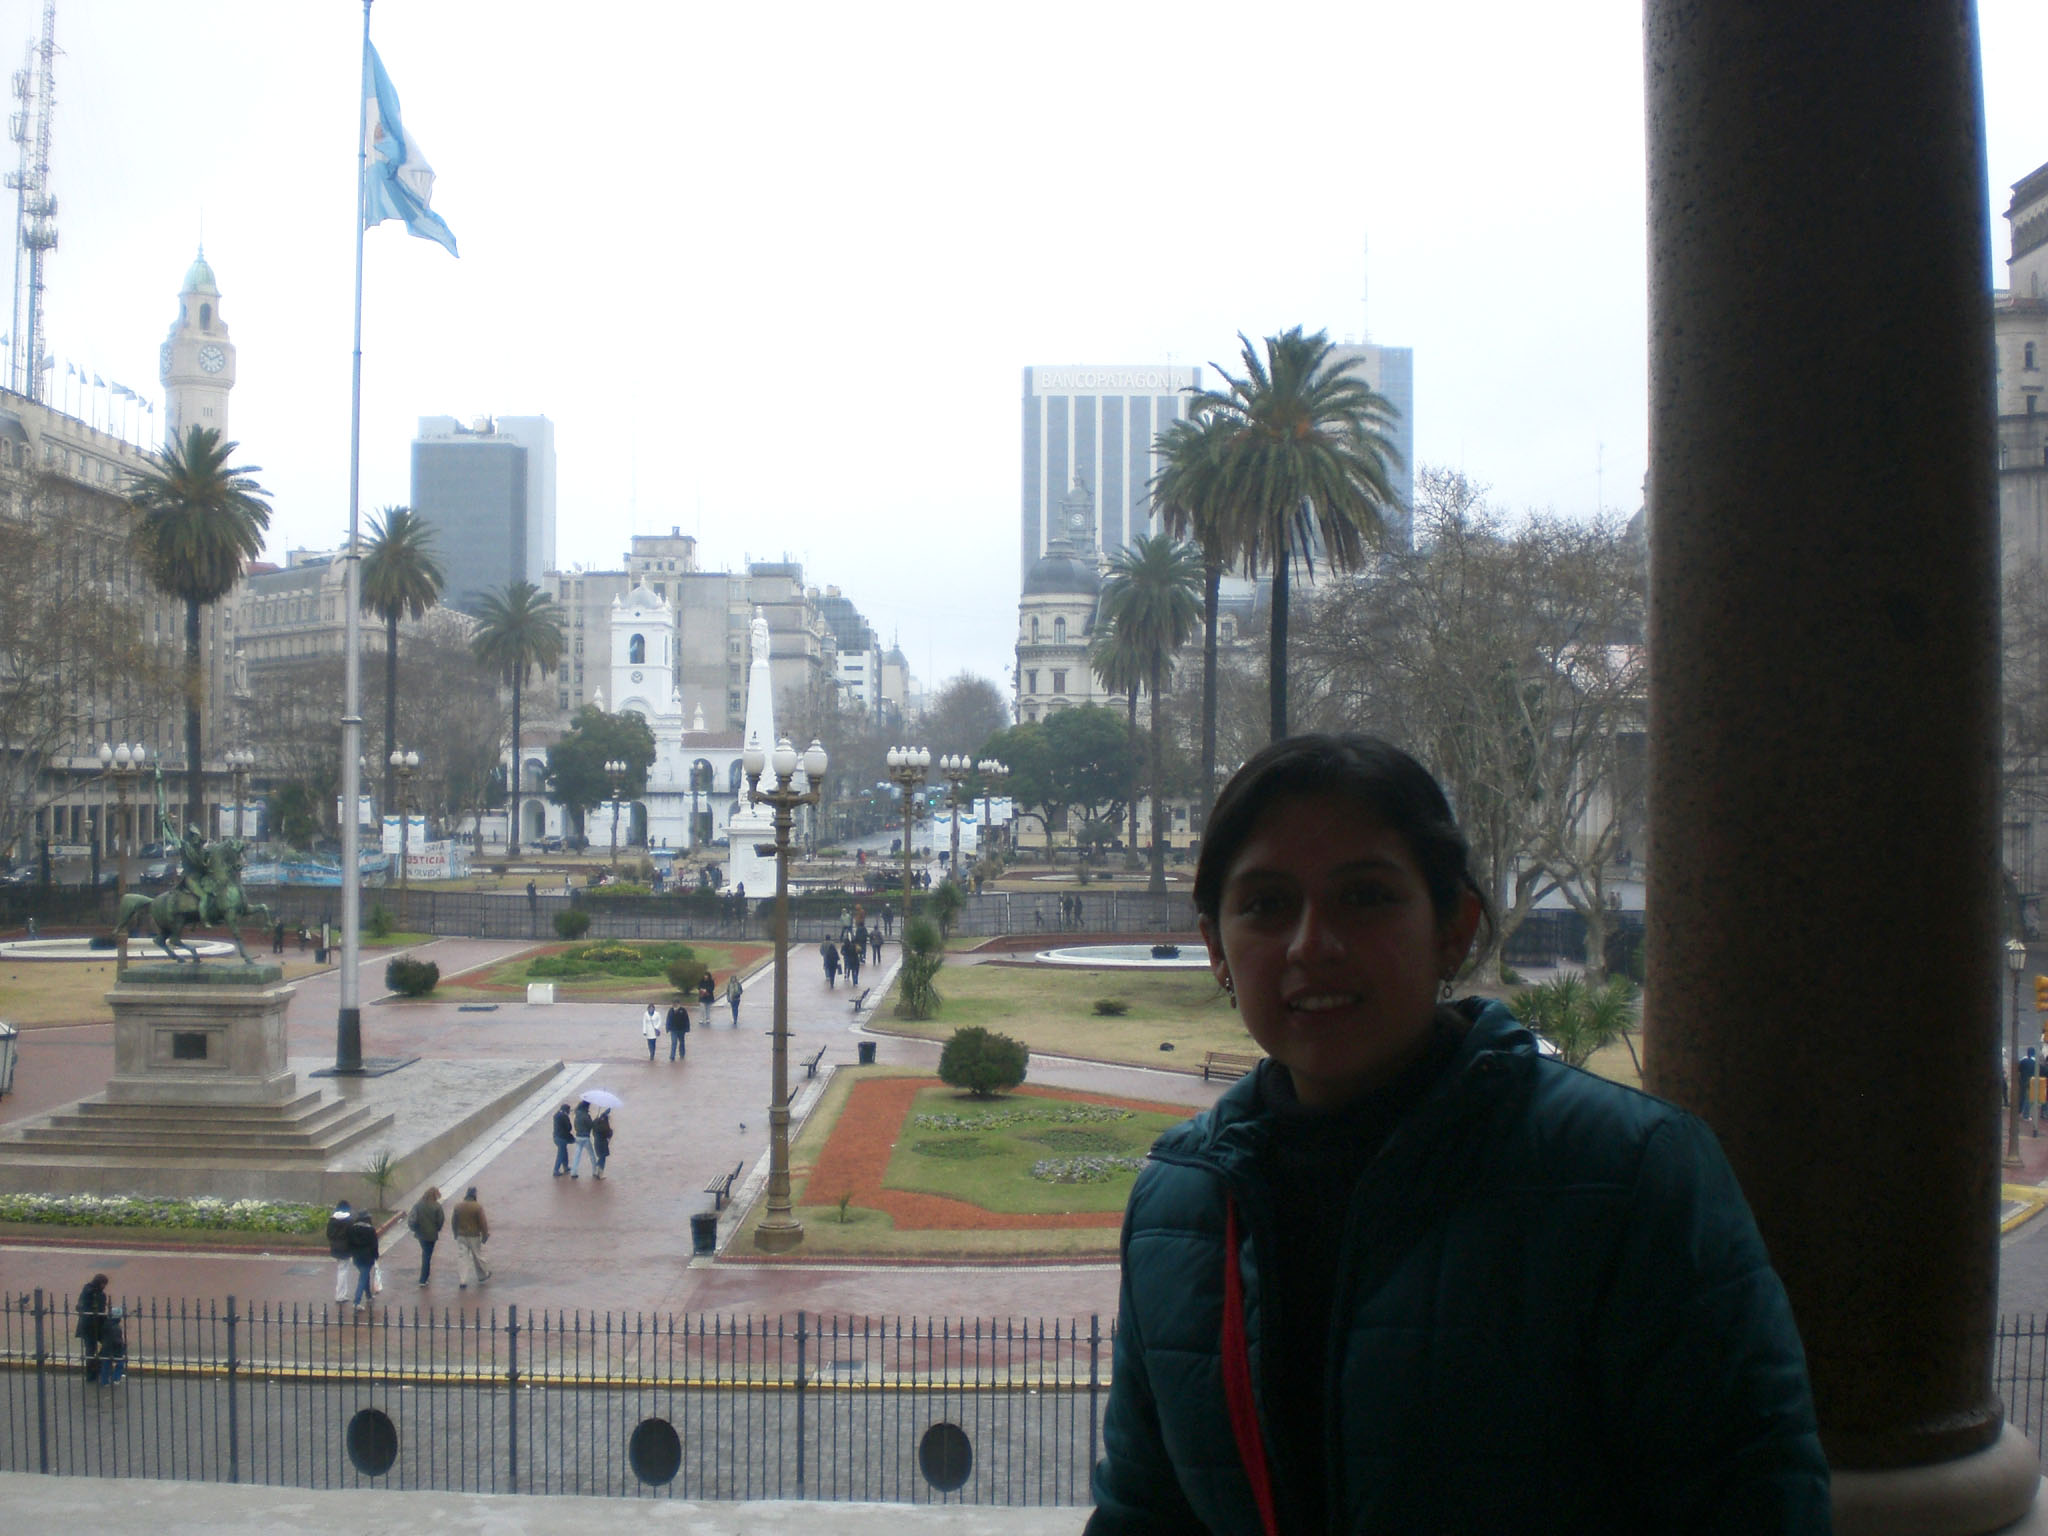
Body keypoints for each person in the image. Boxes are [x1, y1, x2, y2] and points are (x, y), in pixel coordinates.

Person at [1086, 734, 1829, 1534]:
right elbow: (1143, 1513)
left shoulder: (1632, 1176)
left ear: (1455, 927)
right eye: (1267, 905)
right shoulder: (1180, 1204)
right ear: (1215, 948)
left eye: (1365, 895)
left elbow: (1752, 1504)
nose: (1312, 944)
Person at [451, 1186, 491, 1288]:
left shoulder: (458, 1206)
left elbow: (454, 1221)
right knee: (477, 1255)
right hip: (474, 1235)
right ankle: (485, 1271)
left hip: (461, 1235)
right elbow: (483, 1222)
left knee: (462, 1257)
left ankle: (463, 1280)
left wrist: (455, 1233)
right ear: (474, 1194)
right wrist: (485, 1234)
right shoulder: (477, 1207)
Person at [74, 1272, 108, 1383]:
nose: (104, 1286)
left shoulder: (87, 1290)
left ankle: (92, 1372)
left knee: (90, 1350)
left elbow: (79, 1306)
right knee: (103, 1345)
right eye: (104, 1284)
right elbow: (100, 1311)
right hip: (93, 1326)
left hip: (87, 1325)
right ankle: (94, 1370)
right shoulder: (97, 1294)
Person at [408, 1186, 445, 1286]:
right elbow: (441, 1220)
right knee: (427, 1256)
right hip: (432, 1235)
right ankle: (423, 1278)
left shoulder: (418, 1205)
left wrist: (415, 1228)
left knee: (426, 1254)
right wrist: (437, 1228)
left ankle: (425, 1276)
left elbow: (412, 1218)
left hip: (420, 1234)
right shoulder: (437, 1206)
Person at [345, 1203, 379, 1310]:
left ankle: (368, 1296)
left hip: (357, 1257)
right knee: (363, 1278)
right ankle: (357, 1301)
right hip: (368, 1257)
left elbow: (349, 1243)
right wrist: (376, 1256)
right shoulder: (370, 1230)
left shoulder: (352, 1229)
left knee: (365, 1275)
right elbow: (374, 1245)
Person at [325, 1198, 356, 1302]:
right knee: (343, 1271)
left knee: (341, 1269)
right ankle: (340, 1295)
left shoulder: (332, 1220)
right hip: (346, 1249)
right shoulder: (350, 1221)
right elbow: (352, 1235)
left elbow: (329, 1234)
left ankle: (343, 1294)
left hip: (335, 1248)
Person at [571, 1098, 595, 1177]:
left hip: (578, 1136)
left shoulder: (577, 1115)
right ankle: (595, 1171)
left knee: (577, 1155)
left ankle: (573, 1172)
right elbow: (590, 1125)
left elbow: (575, 1126)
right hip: (585, 1137)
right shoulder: (586, 1115)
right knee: (592, 1155)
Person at [551, 1103, 574, 1176]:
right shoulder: (564, 1117)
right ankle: (556, 1170)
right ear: (566, 1110)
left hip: (556, 1136)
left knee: (564, 1152)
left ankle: (565, 1166)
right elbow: (569, 1127)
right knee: (561, 1154)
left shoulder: (556, 1115)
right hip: (562, 1138)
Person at [592, 1107, 613, 1179]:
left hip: (596, 1142)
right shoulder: (605, 1125)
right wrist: (611, 1132)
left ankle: (596, 1171)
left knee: (600, 1156)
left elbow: (593, 1132)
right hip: (603, 1143)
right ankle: (600, 1173)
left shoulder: (595, 1122)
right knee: (602, 1158)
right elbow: (608, 1134)